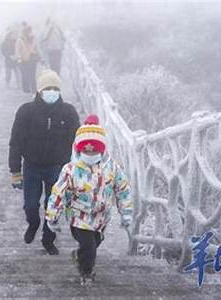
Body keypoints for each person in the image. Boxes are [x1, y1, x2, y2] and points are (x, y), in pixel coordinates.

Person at [45, 114, 133, 283]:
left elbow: (122, 189)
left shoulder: (111, 168)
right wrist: (52, 217)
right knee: (89, 246)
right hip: (79, 216)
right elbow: (58, 193)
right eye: (86, 149)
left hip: (101, 217)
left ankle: (79, 255)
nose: (90, 153)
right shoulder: (70, 170)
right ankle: (86, 272)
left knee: (95, 242)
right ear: (78, 149)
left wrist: (126, 213)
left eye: (94, 150)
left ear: (102, 149)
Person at [9, 69, 80, 255]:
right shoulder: (26, 111)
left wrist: (79, 170)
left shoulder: (68, 112)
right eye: (47, 88)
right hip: (32, 165)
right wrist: (15, 171)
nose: (51, 91)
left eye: (55, 88)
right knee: (31, 204)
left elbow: (78, 141)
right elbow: (15, 141)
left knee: (53, 206)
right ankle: (33, 223)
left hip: (58, 167)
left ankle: (48, 239)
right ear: (40, 90)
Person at [15, 25, 40, 93]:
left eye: (30, 31)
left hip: (32, 59)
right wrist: (19, 58)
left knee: (32, 75)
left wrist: (40, 56)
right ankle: (26, 89)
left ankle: (34, 89)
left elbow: (37, 48)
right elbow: (17, 50)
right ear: (24, 32)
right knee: (25, 75)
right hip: (24, 60)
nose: (29, 32)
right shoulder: (20, 40)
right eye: (27, 31)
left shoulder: (33, 39)